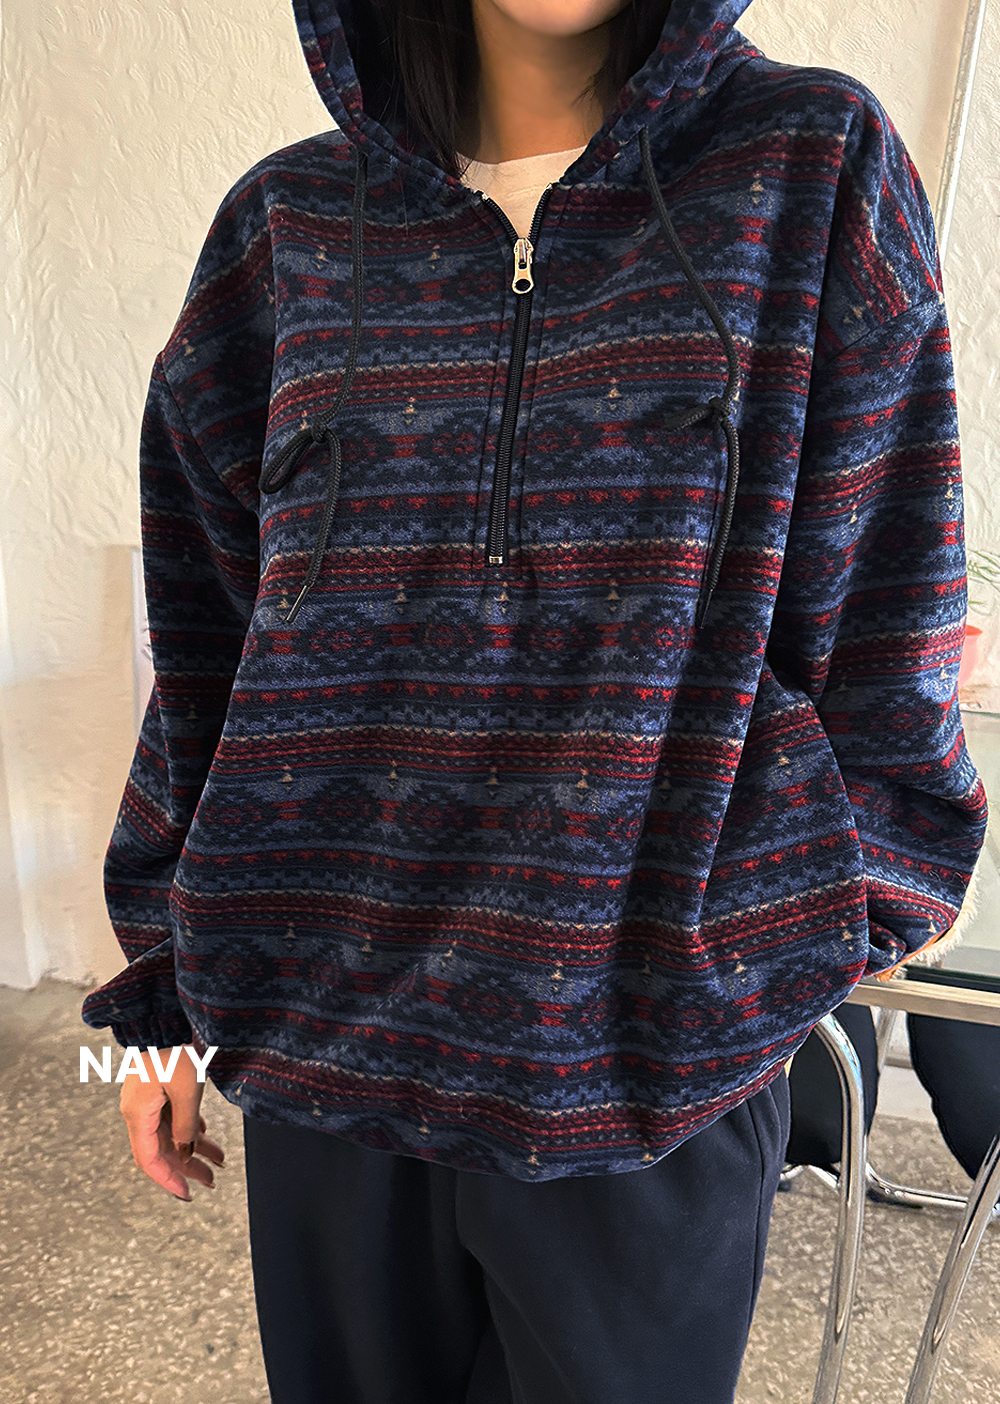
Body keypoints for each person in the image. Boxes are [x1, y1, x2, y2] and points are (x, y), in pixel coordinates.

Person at [81, 2, 989, 1401]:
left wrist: (797, 927)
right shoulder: (285, 231)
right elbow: (207, 643)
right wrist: (162, 991)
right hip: (329, 1050)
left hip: (648, 1056)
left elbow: (890, 605)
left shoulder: (812, 169)